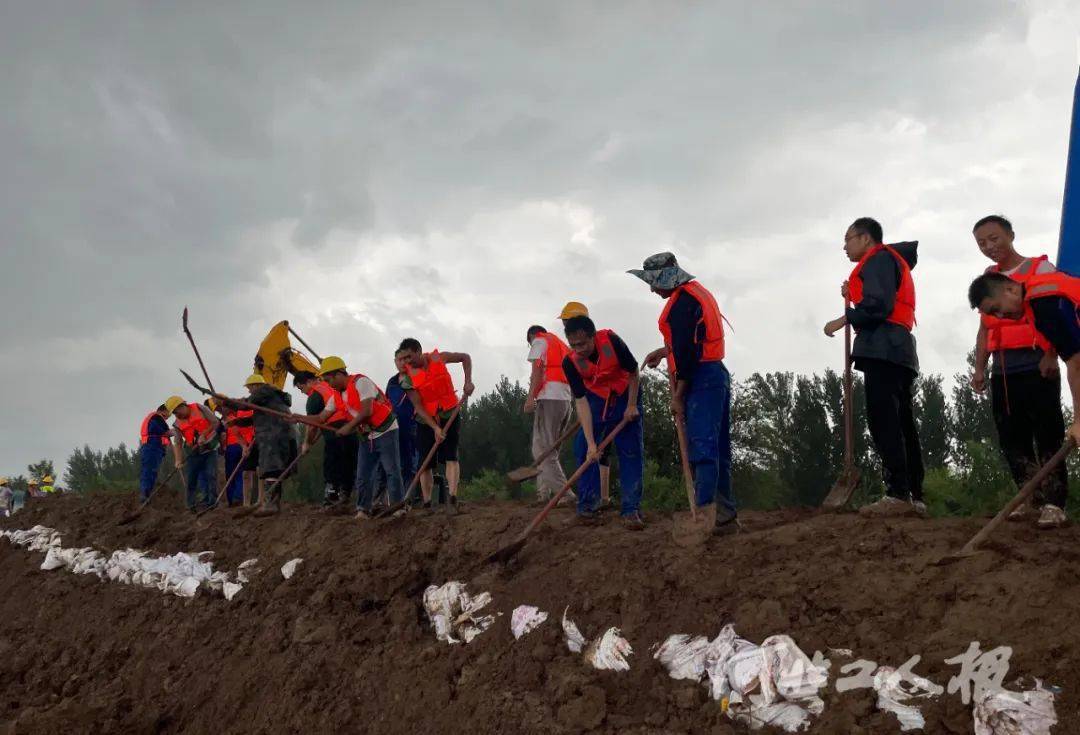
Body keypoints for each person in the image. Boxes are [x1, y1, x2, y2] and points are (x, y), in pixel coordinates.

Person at [823, 217, 925, 516]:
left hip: (884, 347)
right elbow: (878, 298)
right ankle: (914, 495)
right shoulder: (887, 262)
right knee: (902, 421)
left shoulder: (878, 259)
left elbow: (879, 305)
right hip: (898, 347)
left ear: (865, 238)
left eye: (848, 239)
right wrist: (854, 294)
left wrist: (845, 318)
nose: (844, 247)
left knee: (885, 421)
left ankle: (898, 493)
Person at [970, 215, 1068, 528]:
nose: (989, 247)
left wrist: (1051, 354)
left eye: (994, 238)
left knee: (1048, 433)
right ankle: (1029, 497)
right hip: (1003, 369)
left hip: (1038, 362)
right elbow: (985, 328)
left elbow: (1060, 315)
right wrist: (979, 368)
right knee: (1012, 437)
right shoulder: (988, 280)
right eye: (982, 243)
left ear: (1011, 235)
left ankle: (1054, 504)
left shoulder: (1040, 269)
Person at [631, 252, 737, 535]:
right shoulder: (695, 294)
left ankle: (703, 517)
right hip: (715, 373)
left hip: (701, 379)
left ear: (666, 278)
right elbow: (692, 341)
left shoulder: (681, 305)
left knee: (703, 449)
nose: (652, 290)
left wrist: (678, 396)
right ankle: (724, 517)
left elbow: (689, 357)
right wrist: (665, 352)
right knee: (717, 449)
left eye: (653, 283)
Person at [560, 309, 646, 529]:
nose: (578, 350)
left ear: (593, 336)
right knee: (583, 448)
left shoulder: (612, 342)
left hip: (625, 393)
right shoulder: (570, 362)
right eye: (573, 345)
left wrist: (632, 405)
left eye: (582, 344)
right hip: (596, 399)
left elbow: (633, 371)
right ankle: (587, 508)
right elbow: (580, 401)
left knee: (630, 450)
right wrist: (592, 444)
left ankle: (631, 509)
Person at [316, 356, 404, 520]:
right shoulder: (336, 396)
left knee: (391, 470)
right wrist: (298, 417)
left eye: (329, 380)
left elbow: (366, 411)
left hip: (386, 430)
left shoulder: (361, 382)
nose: (329, 384)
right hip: (367, 435)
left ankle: (398, 507)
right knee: (363, 474)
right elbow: (321, 418)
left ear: (338, 374)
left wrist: (348, 427)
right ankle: (363, 510)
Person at [398, 338, 475, 513]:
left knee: (451, 456)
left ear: (419, 351)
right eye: (403, 358)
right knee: (425, 463)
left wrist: (468, 381)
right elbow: (418, 406)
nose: (407, 361)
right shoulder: (406, 379)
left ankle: (453, 498)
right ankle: (427, 503)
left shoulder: (439, 358)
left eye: (409, 356)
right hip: (425, 420)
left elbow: (465, 357)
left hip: (450, 413)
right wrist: (435, 428)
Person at [294, 369, 359, 509]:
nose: (303, 392)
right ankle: (346, 496)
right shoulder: (329, 387)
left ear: (309, 382)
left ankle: (331, 498)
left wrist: (306, 443)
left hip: (335, 432)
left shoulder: (314, 396)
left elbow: (312, 425)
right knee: (348, 464)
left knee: (331, 466)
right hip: (351, 427)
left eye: (301, 388)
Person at [524, 325, 573, 504]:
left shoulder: (538, 341)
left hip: (549, 398)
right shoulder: (560, 344)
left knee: (541, 450)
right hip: (565, 400)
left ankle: (565, 494)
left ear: (531, 336)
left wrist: (530, 398)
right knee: (550, 451)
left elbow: (536, 372)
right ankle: (543, 494)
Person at [164, 395, 221, 511]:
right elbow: (178, 442)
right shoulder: (177, 424)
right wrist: (178, 460)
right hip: (193, 452)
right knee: (191, 479)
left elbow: (215, 422)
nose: (176, 415)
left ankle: (212, 503)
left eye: (176, 412)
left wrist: (204, 434)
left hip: (210, 448)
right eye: (174, 413)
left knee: (211, 475)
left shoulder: (200, 408)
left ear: (182, 406)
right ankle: (191, 505)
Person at [386, 348, 419, 496]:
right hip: (395, 428)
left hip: (414, 427)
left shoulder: (417, 377)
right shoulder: (392, 382)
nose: (403, 362)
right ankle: (400, 497)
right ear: (395, 362)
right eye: (400, 360)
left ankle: (412, 497)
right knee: (398, 463)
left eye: (406, 358)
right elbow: (387, 404)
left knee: (413, 463)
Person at [221, 404, 254, 507]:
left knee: (233, 474)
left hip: (233, 448)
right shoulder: (238, 416)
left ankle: (233, 500)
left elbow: (223, 435)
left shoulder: (228, 420)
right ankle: (238, 498)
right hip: (244, 445)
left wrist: (223, 448)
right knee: (241, 473)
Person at [138, 404, 173, 501]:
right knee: (149, 470)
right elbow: (163, 432)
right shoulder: (157, 417)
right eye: (169, 413)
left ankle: (147, 493)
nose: (169, 416)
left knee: (152, 470)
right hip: (152, 446)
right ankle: (145, 494)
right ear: (163, 411)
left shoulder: (157, 419)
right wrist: (175, 432)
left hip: (154, 448)